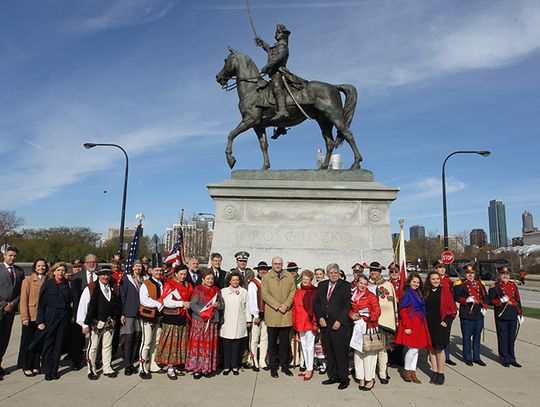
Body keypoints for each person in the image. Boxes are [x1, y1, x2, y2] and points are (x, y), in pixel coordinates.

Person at [314, 263, 352, 390]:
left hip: (339, 326)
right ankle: (333, 376)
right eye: (331, 273)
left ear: (339, 273)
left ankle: (343, 378)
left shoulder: (345, 285)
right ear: (327, 274)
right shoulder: (322, 285)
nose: (334, 275)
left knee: (341, 353)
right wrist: (320, 317)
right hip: (325, 325)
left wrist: (340, 321)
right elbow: (317, 303)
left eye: (336, 272)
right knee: (329, 352)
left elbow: (347, 305)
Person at [155, 264, 193, 380]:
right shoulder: (170, 284)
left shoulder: (188, 285)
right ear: (175, 274)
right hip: (172, 318)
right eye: (181, 274)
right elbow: (166, 301)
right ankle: (170, 368)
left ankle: (176, 365)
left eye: (185, 274)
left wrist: (188, 304)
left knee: (180, 343)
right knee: (172, 344)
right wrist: (182, 304)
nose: (183, 276)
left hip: (183, 318)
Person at [37, 262, 73, 381]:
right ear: (53, 272)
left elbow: (69, 302)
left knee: (58, 344)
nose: (61, 272)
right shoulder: (48, 285)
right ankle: (47, 370)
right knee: (49, 343)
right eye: (58, 270)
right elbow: (41, 304)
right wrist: (40, 321)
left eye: (63, 270)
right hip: (50, 316)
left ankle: (54, 369)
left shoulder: (67, 284)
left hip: (63, 317)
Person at [262, 256, 296, 378]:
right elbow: (265, 294)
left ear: (282, 264)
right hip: (272, 314)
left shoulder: (289, 276)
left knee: (284, 343)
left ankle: (285, 366)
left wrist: (286, 305)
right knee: (272, 344)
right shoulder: (266, 277)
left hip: (285, 314)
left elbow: (293, 292)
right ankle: (273, 367)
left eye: (279, 263)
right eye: (275, 263)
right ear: (272, 264)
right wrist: (278, 306)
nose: (277, 265)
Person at [186, 270, 224, 379]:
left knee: (209, 345)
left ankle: (207, 367)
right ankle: (197, 368)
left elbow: (222, 305)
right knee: (198, 345)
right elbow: (193, 305)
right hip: (200, 321)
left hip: (212, 322)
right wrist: (204, 313)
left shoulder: (217, 291)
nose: (210, 281)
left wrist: (217, 305)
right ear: (203, 279)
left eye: (211, 279)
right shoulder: (198, 290)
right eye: (208, 279)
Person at [85, 268, 120, 380]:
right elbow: (84, 306)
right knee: (93, 346)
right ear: (98, 276)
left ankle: (107, 367)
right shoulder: (91, 287)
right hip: (96, 322)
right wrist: (84, 324)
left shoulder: (113, 287)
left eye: (108, 275)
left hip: (110, 322)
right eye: (103, 275)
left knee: (107, 345)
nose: (105, 277)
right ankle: (91, 369)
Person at [395, 273, 431, 384]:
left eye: (417, 282)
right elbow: (403, 310)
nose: (415, 284)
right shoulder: (408, 294)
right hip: (410, 324)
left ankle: (413, 371)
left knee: (417, 349)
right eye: (414, 282)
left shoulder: (418, 293)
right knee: (413, 349)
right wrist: (406, 325)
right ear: (409, 282)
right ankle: (407, 370)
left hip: (419, 324)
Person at [424, 271, 457, 385]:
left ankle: (441, 372)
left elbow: (452, 308)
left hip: (441, 324)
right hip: (429, 324)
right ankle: (434, 371)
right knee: (432, 349)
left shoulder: (444, 291)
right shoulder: (426, 292)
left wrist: (447, 321)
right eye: (433, 279)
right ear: (429, 280)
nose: (436, 281)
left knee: (439, 349)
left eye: (437, 279)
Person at [367, 261, 397, 384]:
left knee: (382, 349)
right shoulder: (366, 285)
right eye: (371, 270)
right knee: (371, 349)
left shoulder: (387, 285)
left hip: (383, 321)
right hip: (369, 322)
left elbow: (390, 304)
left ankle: (383, 372)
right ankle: (370, 372)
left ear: (380, 272)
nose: (373, 272)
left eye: (376, 270)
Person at [349, 274, 381, 391]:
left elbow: (377, 310)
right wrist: (352, 315)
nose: (362, 285)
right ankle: (361, 377)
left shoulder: (370, 296)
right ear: (357, 283)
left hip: (369, 326)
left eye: (365, 284)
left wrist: (369, 316)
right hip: (357, 327)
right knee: (358, 353)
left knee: (369, 354)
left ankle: (370, 378)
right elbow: (350, 310)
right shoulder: (353, 295)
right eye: (361, 283)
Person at [488, 266, 523, 368]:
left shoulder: (513, 285)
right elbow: (489, 300)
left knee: (511, 338)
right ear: (499, 275)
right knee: (503, 337)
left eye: (507, 274)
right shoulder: (495, 286)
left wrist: (520, 314)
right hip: (502, 315)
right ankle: (504, 358)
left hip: (513, 314)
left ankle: (512, 358)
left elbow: (517, 300)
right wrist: (500, 301)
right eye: (503, 274)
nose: (505, 276)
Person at [255, 24, 291, 121]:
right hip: (274, 73)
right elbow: (269, 50)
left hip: (279, 72)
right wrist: (261, 42)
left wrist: (267, 66)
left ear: (282, 34)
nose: (275, 35)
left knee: (276, 87)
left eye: (277, 33)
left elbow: (279, 57)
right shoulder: (276, 46)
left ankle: (283, 111)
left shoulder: (282, 46)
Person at [454, 264, 487, 366]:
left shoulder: (480, 283)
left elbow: (485, 297)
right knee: (467, 337)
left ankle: (477, 357)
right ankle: (468, 357)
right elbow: (456, 297)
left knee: (477, 337)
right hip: (467, 314)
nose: (470, 275)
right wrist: (465, 300)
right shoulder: (460, 284)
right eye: (468, 273)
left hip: (478, 314)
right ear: (465, 274)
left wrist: (484, 307)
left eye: (472, 273)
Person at [18, 258, 47, 376]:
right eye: (39, 265)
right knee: (27, 342)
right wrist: (24, 317)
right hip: (31, 315)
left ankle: (35, 365)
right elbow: (23, 299)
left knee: (38, 342)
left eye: (43, 266)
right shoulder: (28, 280)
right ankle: (26, 365)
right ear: (35, 267)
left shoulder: (48, 280)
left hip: (42, 316)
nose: (41, 267)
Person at [220, 272, 252, 375]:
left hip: (239, 322)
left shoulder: (243, 292)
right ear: (229, 281)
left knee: (236, 347)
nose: (235, 282)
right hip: (227, 322)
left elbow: (247, 307)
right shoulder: (223, 291)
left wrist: (248, 320)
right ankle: (226, 366)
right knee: (226, 346)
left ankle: (234, 366)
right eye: (233, 280)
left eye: (237, 280)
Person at [0, 246, 24, 379]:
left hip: (11, 310)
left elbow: (21, 290)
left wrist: (13, 303)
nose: (12, 258)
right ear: (4, 256)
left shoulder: (19, 271)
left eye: (14, 256)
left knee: (4, 339)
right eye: (10, 255)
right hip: (0, 308)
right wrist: (4, 304)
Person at [71, 253, 98, 370]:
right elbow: (74, 297)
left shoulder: (100, 276)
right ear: (85, 264)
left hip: (96, 313)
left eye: (94, 262)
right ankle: (77, 361)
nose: (91, 264)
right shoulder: (77, 277)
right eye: (89, 262)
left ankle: (95, 360)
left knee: (96, 338)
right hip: (80, 312)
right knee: (78, 338)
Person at [138, 265, 165, 379]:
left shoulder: (162, 283)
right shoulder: (146, 284)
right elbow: (144, 300)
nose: (159, 272)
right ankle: (142, 367)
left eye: (160, 270)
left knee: (156, 342)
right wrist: (158, 303)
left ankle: (153, 364)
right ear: (151, 271)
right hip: (148, 316)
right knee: (146, 343)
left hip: (159, 317)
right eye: (156, 271)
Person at [292, 270, 318, 381]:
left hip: (309, 321)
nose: (305, 281)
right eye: (304, 279)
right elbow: (295, 308)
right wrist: (294, 321)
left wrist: (315, 322)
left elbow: (316, 308)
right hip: (300, 321)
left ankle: (310, 368)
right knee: (303, 345)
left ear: (311, 280)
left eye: (307, 279)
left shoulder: (314, 291)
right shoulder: (297, 291)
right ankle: (308, 367)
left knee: (310, 345)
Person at [119, 259, 144, 376]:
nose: (138, 268)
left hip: (141, 313)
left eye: (140, 266)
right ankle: (127, 365)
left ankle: (133, 361)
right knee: (129, 338)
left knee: (138, 336)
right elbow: (122, 297)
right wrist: (122, 313)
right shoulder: (126, 279)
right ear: (132, 267)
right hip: (129, 312)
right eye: (136, 266)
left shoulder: (143, 280)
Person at [433, 259, 456, 365]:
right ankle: (433, 355)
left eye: (443, 267)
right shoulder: (434, 280)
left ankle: (446, 356)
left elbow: (452, 295)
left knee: (446, 333)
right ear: (436, 269)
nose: (442, 269)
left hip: (447, 312)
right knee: (436, 334)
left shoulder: (449, 281)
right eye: (440, 267)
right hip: (437, 311)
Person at [248, 261, 270, 372]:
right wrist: (255, 314)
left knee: (265, 339)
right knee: (255, 339)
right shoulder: (253, 283)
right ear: (258, 271)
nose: (263, 271)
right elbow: (252, 300)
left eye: (265, 269)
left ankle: (262, 361)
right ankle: (254, 361)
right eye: (261, 269)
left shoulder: (268, 282)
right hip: (257, 316)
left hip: (267, 315)